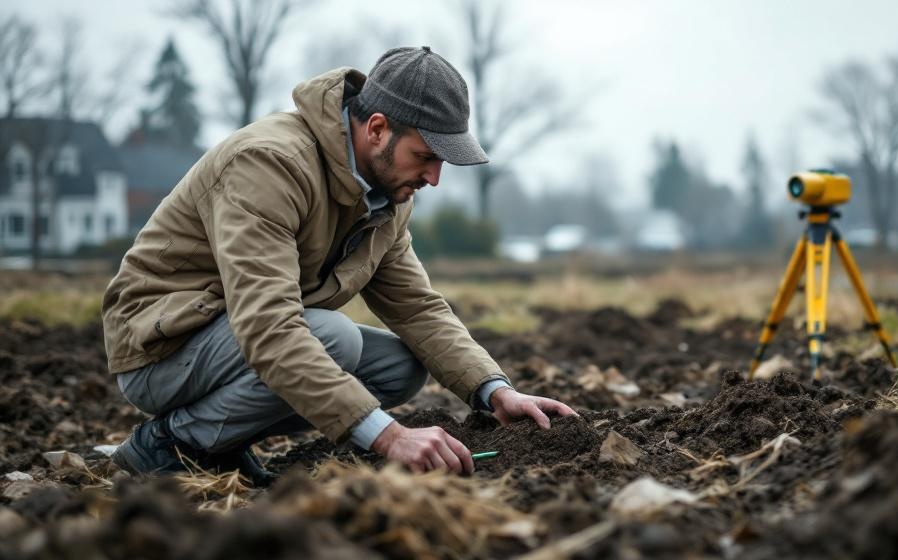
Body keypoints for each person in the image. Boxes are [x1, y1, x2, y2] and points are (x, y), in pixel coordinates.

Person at [103, 46, 576, 485]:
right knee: (335, 338)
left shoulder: (387, 197)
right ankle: (170, 443)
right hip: (162, 346)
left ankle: (220, 441)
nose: (433, 178)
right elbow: (269, 327)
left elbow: (417, 308)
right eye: (425, 156)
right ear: (377, 129)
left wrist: (495, 391)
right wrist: (389, 436)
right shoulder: (268, 164)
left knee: (400, 368)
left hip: (229, 342)